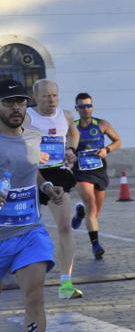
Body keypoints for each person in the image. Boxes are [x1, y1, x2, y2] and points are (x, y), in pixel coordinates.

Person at [0, 79, 66, 332]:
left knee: (35, 297)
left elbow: (32, 172)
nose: (16, 107)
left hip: (28, 233)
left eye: (21, 102)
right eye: (9, 102)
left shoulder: (32, 136)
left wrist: (46, 188)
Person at [27, 79, 81, 299]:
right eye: (46, 96)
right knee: (24, 229)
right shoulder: (27, 117)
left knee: (65, 227)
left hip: (57, 172)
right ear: (35, 98)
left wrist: (70, 149)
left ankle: (65, 283)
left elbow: (74, 133)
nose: (51, 100)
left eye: (55, 95)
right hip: (29, 174)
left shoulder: (65, 115)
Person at [69, 92, 122, 260]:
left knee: (95, 211)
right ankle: (96, 245)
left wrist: (106, 150)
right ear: (77, 108)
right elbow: (63, 143)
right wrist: (69, 153)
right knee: (91, 205)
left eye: (88, 105)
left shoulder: (102, 124)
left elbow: (118, 141)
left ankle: (80, 212)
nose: (86, 109)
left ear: (93, 107)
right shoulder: (72, 126)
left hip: (99, 170)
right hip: (80, 171)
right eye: (82, 106)